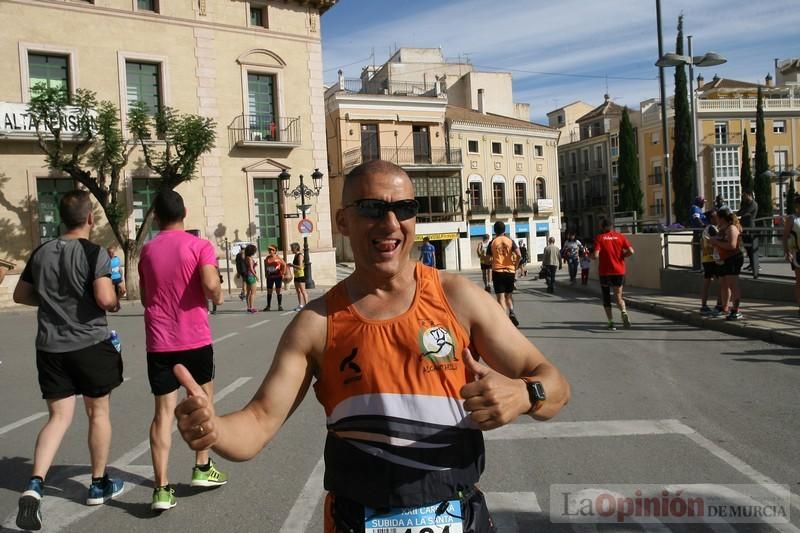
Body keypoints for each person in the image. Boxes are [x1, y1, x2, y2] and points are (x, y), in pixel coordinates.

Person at [173, 160, 570, 533]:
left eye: (404, 208)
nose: (391, 223)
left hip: (457, 511)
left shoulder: (458, 298)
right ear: (343, 221)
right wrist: (215, 430)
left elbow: (555, 386)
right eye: (372, 208)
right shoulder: (316, 324)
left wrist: (524, 392)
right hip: (353, 517)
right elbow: (258, 422)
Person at [12, 190, 124, 531]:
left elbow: (21, 294)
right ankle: (97, 482)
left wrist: (51, 304)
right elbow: (105, 299)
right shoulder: (94, 254)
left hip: (50, 347)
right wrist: (116, 298)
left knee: (58, 418)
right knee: (97, 412)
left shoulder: (41, 252)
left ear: (62, 218)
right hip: (89, 343)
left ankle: (34, 485)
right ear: (90, 218)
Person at [138, 190, 227, 512]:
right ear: (185, 212)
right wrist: (215, 295)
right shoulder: (199, 246)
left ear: (156, 216)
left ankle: (161, 488)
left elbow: (147, 297)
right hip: (195, 339)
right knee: (202, 403)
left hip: (159, 341)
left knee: (163, 414)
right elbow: (209, 282)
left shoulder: (147, 251)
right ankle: (202, 468)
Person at [593, 218, 635, 330]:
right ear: (612, 226)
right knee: (618, 296)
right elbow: (631, 251)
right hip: (619, 271)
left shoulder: (600, 238)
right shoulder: (620, 236)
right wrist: (622, 256)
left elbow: (596, 255)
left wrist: (589, 255)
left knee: (606, 297)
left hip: (605, 272)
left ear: (602, 227)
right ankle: (624, 312)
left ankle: (611, 322)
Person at [709, 207, 744, 321]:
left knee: (733, 285)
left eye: (718, 218)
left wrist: (716, 242)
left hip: (733, 258)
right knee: (724, 284)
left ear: (722, 218)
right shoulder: (723, 228)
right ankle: (725, 307)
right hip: (724, 259)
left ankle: (736, 310)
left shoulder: (732, 228)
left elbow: (732, 246)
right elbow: (722, 242)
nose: (716, 220)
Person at [487, 220, 520, 326]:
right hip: (510, 271)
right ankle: (511, 311)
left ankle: (504, 321)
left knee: (500, 297)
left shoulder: (492, 242)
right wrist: (515, 266)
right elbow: (519, 255)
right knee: (508, 296)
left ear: (494, 231)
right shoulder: (510, 241)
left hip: (497, 271)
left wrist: (493, 261)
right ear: (504, 230)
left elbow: (488, 259)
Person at [699, 210, 723, 316]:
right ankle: (719, 304)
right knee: (719, 282)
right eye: (716, 216)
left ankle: (704, 305)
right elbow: (720, 240)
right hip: (712, 259)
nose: (718, 218)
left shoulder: (707, 228)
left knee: (707, 282)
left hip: (706, 259)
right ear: (711, 218)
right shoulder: (712, 228)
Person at [782, 194, 800, 317]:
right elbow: (785, 237)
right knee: (799, 281)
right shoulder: (792, 219)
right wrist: (787, 252)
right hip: (798, 253)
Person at [737, 190, 759, 277]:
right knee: (747, 247)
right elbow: (740, 211)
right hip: (744, 228)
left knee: (751, 248)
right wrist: (735, 214)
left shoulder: (753, 204)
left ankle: (755, 265)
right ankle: (751, 264)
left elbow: (745, 213)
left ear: (750, 195)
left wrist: (738, 215)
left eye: (745, 196)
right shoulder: (746, 204)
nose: (744, 197)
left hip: (750, 228)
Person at [262, 245, 287, 311]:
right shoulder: (267, 258)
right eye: (269, 250)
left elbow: (284, 265)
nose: (270, 251)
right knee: (269, 291)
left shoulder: (278, 258)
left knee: (278, 291)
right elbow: (266, 266)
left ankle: (280, 306)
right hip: (270, 276)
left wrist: (283, 273)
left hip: (278, 276)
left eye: (272, 250)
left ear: (275, 251)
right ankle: (268, 306)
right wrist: (266, 273)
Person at [290, 242, 309, 312]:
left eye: (292, 248)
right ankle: (300, 305)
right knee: (298, 291)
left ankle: (307, 306)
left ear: (295, 248)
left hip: (301, 275)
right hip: (296, 275)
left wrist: (292, 265)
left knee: (303, 291)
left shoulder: (300, 255)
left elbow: (300, 267)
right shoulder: (296, 255)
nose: (291, 250)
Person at [244, 244, 258, 313]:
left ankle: (248, 307)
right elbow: (251, 269)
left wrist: (254, 265)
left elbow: (249, 267)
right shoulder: (250, 258)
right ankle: (252, 307)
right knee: (253, 292)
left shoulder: (246, 258)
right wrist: (256, 276)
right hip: (251, 276)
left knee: (248, 292)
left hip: (247, 276)